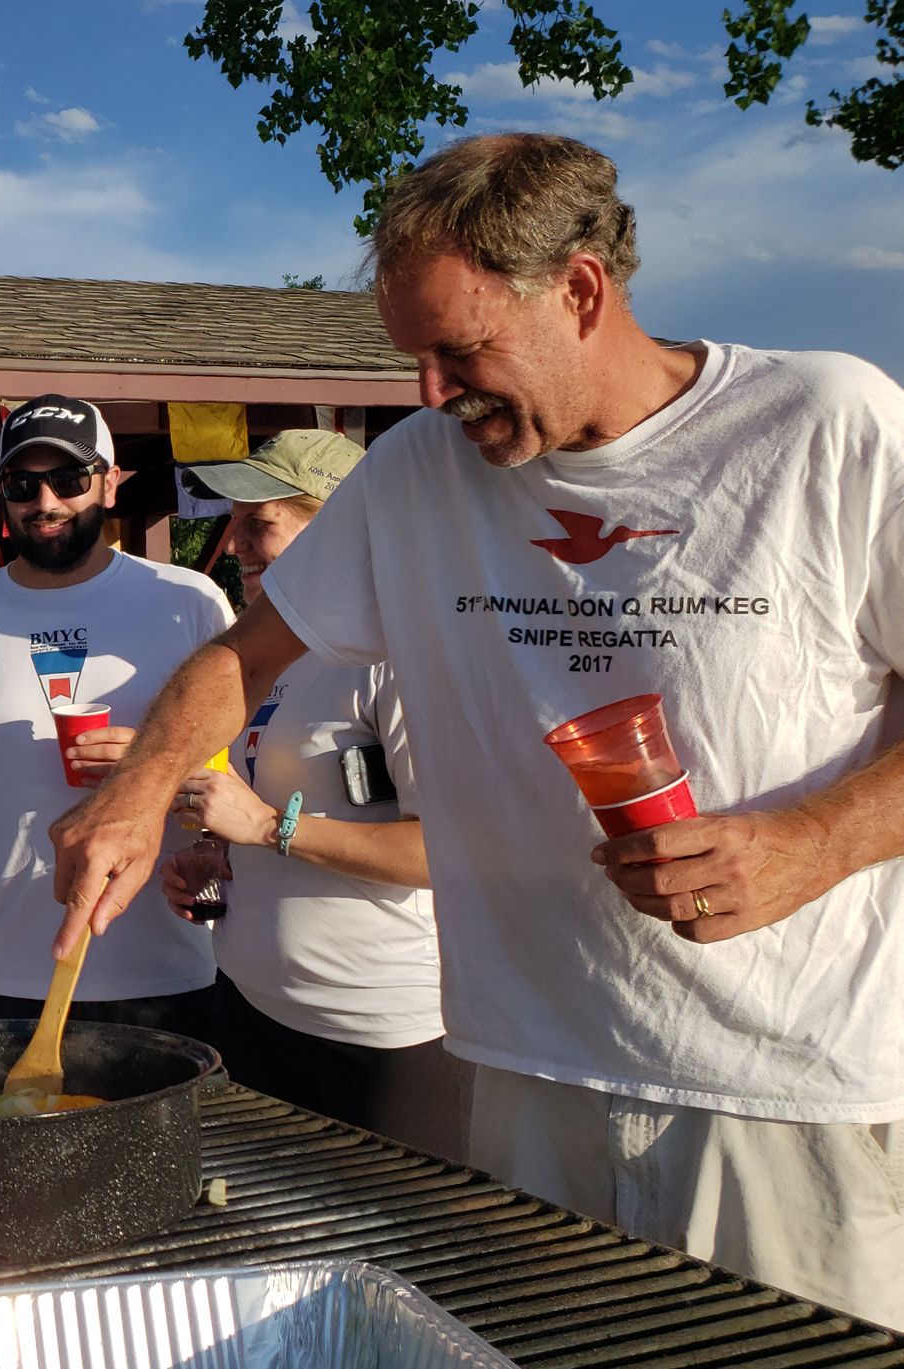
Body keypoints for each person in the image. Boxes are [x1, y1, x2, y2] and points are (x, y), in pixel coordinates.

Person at [50, 133, 904, 1327]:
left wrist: (815, 842)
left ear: (582, 290)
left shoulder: (827, 423)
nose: (433, 394)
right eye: (414, 360)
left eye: (460, 351)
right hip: (522, 1068)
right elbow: (244, 655)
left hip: (783, 1082)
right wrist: (136, 794)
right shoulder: (416, 474)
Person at [0, 394, 234, 1037]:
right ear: (2, 492)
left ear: (110, 484)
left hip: (168, 970)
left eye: (68, 479)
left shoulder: (188, 602)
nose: (45, 502)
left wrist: (158, 763)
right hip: (6, 976)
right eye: (22, 483)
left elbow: (245, 773)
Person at [149, 430, 469, 1160]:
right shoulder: (271, 655)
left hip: (383, 1037)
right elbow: (281, 810)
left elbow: (444, 853)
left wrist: (267, 829)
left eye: (260, 523)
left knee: (402, 1231)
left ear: (341, 529)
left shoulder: (398, 653)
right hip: (250, 1010)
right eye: (234, 521)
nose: (234, 544)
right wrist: (219, 857)